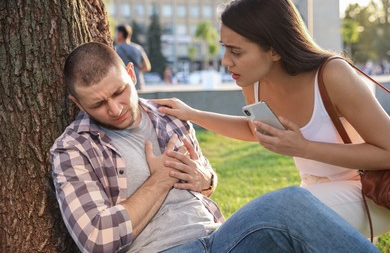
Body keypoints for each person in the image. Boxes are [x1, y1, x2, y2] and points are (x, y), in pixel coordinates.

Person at [50, 42, 378, 253]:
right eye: (98, 104)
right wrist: (161, 178)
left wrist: (203, 178)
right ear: (77, 103)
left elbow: (206, 182)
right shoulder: (73, 150)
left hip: (221, 237)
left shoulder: (169, 115)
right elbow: (97, 240)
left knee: (290, 202)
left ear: (132, 74)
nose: (115, 108)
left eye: (119, 92)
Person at [153, 0, 390, 239]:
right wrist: (192, 114)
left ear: (275, 50)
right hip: (312, 192)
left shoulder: (332, 74)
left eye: (236, 51)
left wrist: (305, 148)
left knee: (266, 223)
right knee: (256, 226)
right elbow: (252, 130)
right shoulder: (253, 82)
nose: (225, 61)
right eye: (225, 48)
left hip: (370, 191)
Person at [115, 24, 151, 90]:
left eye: (116, 33)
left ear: (120, 34)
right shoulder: (138, 48)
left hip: (123, 86)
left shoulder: (116, 50)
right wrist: (136, 71)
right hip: (138, 84)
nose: (115, 36)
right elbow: (147, 66)